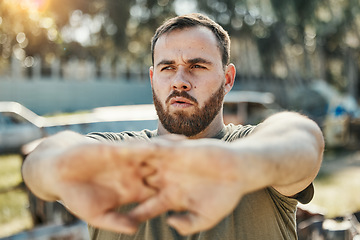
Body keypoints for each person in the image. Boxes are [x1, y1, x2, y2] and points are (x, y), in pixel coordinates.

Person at [22, 13, 324, 240]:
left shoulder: (252, 147)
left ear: (228, 79)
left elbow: (303, 138)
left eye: (197, 66)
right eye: (168, 68)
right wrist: (65, 168)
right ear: (153, 79)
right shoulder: (121, 153)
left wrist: (236, 166)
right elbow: (41, 162)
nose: (180, 80)